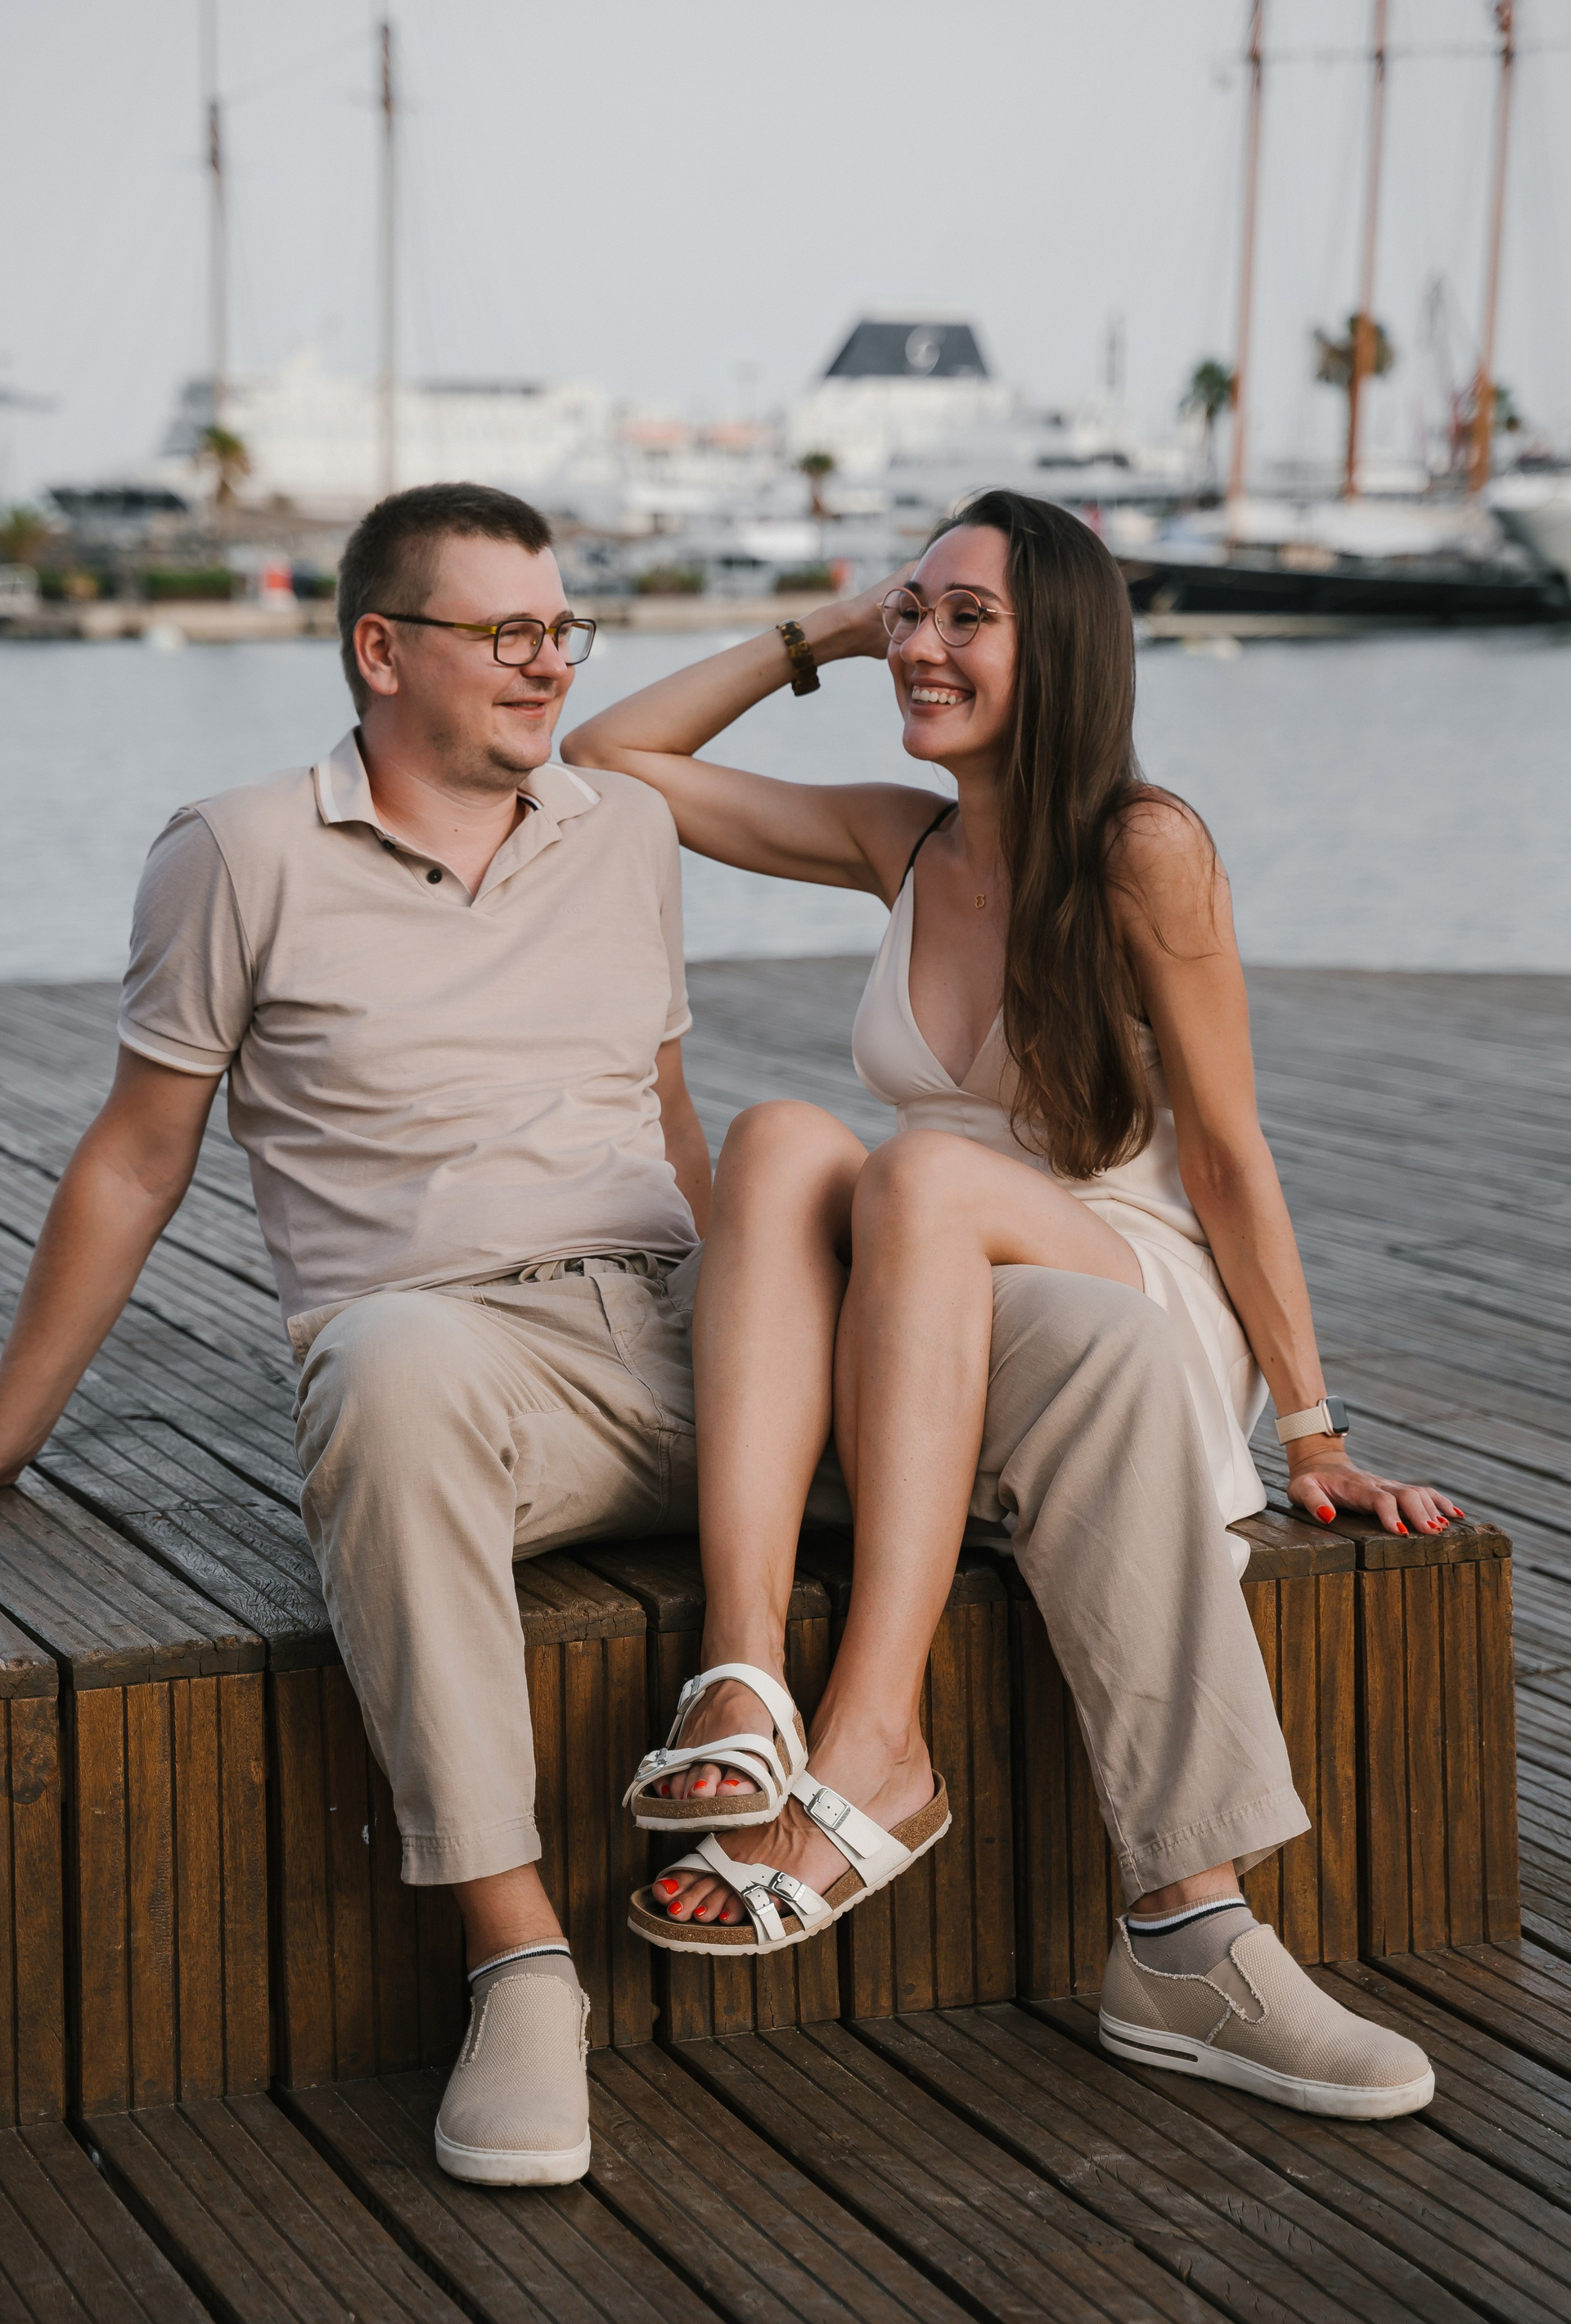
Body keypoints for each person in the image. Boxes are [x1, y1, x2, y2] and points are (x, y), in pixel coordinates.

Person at [561, 489, 1456, 2119]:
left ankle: (881, 1740)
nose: (922, 644)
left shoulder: (1144, 847)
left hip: (1126, 1291)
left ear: (1067, 650)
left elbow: (1229, 1154)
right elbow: (608, 762)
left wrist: (1314, 1432)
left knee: (915, 1172)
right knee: (783, 1143)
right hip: (938, 1318)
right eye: (911, 611)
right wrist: (822, 635)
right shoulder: (898, 837)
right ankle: (745, 1681)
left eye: (966, 617)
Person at [0, 481, 715, 2187]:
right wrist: (8, 1429)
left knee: (1068, 1341)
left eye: (562, 629)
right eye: (507, 632)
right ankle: (520, 1963)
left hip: (700, 1335)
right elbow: (138, 1153)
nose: (550, 665)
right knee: (388, 1368)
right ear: (380, 652)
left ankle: (1194, 1922)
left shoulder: (626, 829)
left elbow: (669, 1116)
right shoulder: (238, 849)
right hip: (464, 1363)